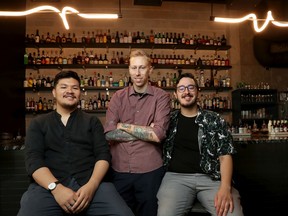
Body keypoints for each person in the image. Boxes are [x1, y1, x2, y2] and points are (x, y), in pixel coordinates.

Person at [18, 70, 134, 216]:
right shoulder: (38, 123)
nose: (69, 91)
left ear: (79, 92)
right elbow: (33, 161)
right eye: (64, 87)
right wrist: (56, 188)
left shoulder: (92, 122)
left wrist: (92, 186)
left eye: (75, 88)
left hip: (91, 184)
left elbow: (103, 156)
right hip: (48, 187)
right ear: (54, 92)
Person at [157, 72, 243, 216]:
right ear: (175, 94)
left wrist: (225, 187)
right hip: (176, 178)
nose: (186, 92)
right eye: (181, 88)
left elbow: (225, 156)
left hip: (211, 178)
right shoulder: (168, 120)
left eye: (191, 87)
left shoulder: (214, 119)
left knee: (232, 214)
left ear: (198, 91)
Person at [104, 49, 171, 216]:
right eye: (134, 68)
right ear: (129, 69)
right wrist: (146, 129)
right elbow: (109, 134)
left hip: (150, 171)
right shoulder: (117, 97)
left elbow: (158, 135)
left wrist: (123, 125)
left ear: (150, 69)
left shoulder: (161, 97)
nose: (137, 73)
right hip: (119, 169)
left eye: (142, 67)